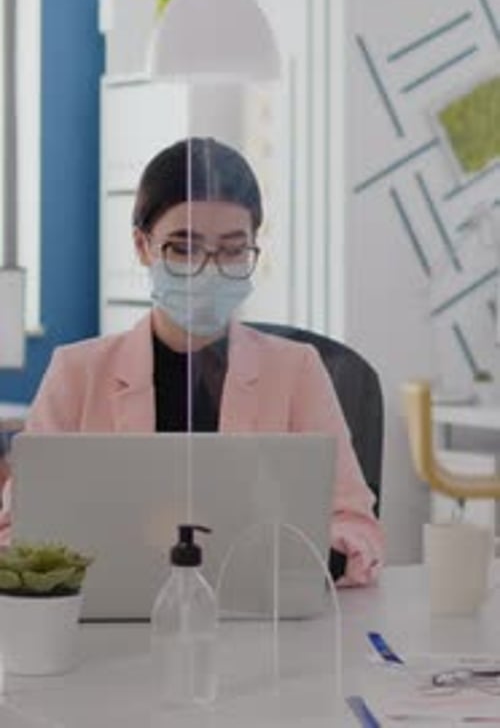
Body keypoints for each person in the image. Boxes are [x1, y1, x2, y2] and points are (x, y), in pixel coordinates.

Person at [15, 138, 383, 584]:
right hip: (105, 623)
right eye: (183, 247)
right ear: (142, 246)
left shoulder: (297, 370)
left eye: (232, 250)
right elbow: (17, 528)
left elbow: (357, 525)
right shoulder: (76, 373)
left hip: (259, 621)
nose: (209, 269)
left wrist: (309, 563)